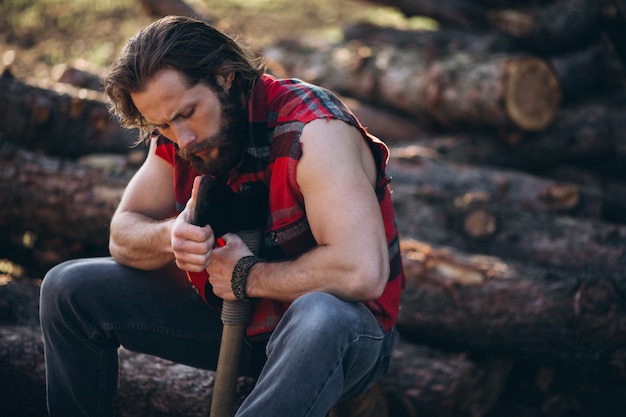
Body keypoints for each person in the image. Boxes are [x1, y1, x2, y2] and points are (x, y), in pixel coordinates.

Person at [39, 15, 405, 417]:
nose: (184, 139)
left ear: (226, 76)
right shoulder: (176, 135)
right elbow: (123, 232)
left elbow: (361, 271)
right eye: (162, 125)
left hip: (340, 338)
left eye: (188, 113)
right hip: (231, 324)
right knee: (67, 288)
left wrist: (248, 275)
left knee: (320, 315)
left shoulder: (314, 129)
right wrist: (170, 236)